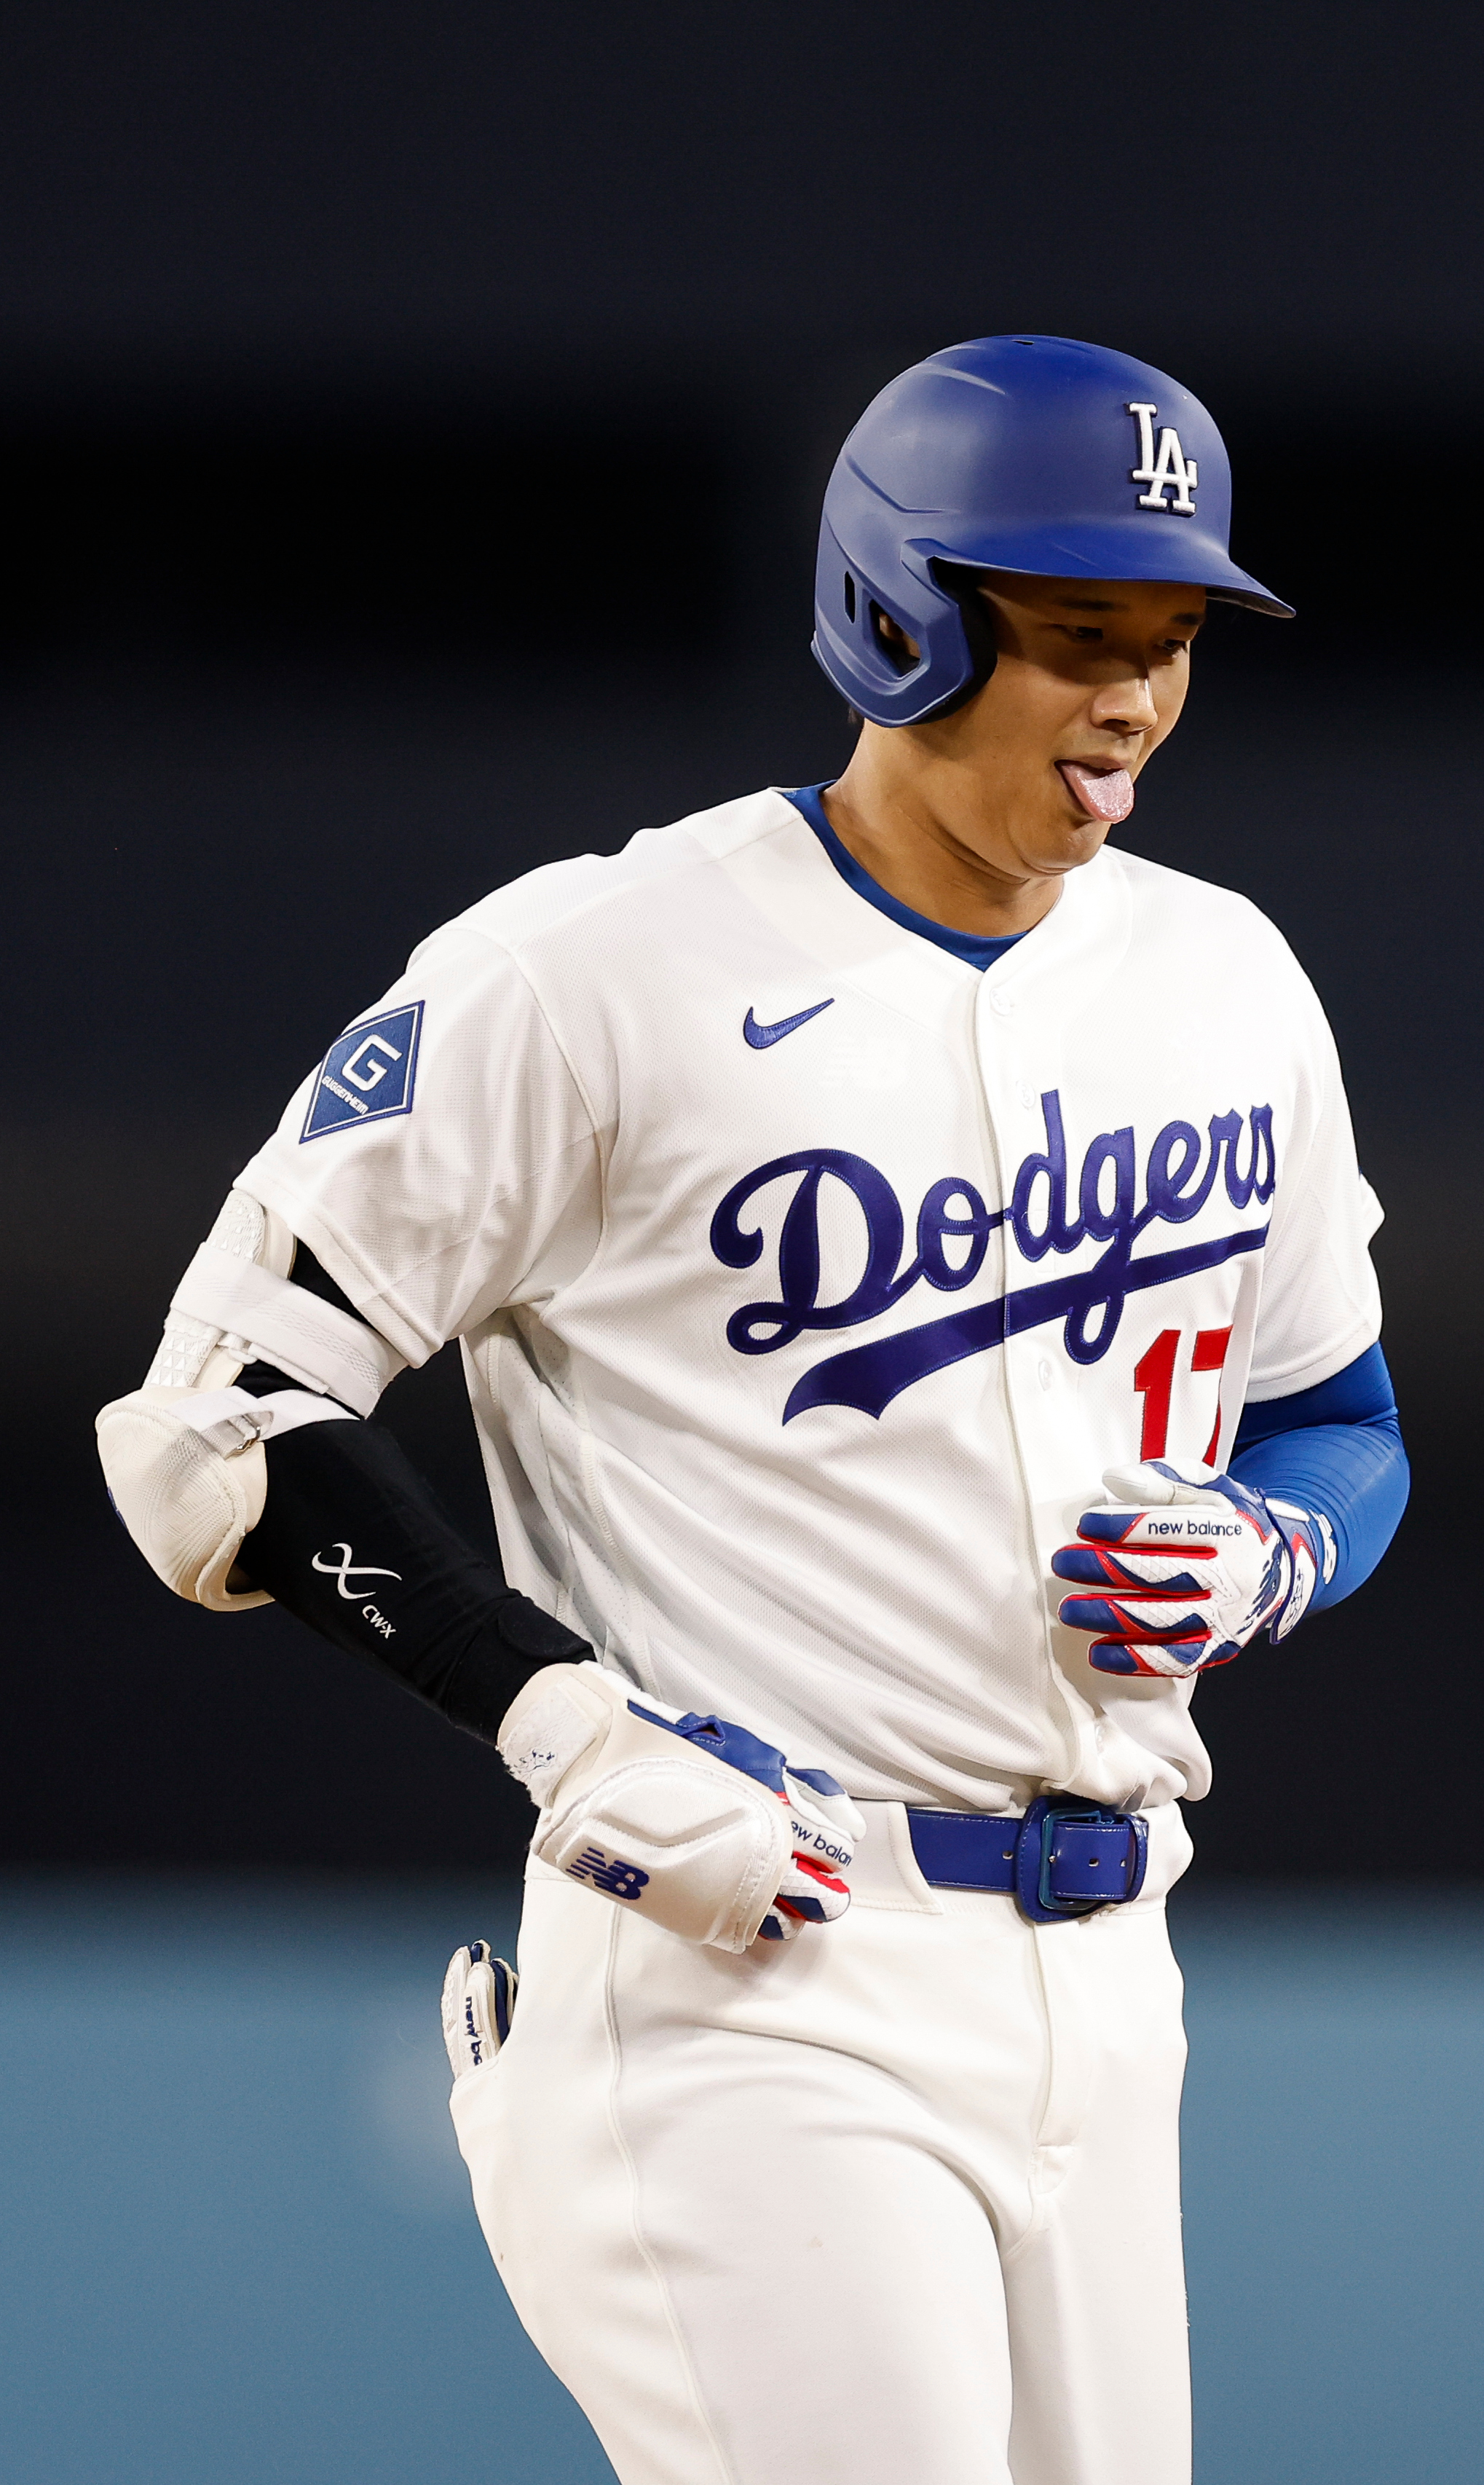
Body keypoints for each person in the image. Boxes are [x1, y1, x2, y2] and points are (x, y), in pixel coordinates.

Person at [97, 334, 1409, 2485]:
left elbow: (1347, 1419)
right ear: (904, 615)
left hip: (1108, 1968)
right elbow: (216, 1417)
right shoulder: (599, 964)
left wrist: (1278, 1551)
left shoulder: (1225, 977)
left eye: (1173, 637)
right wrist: (559, 1721)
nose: (1138, 698)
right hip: (751, 1973)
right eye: (1082, 631)